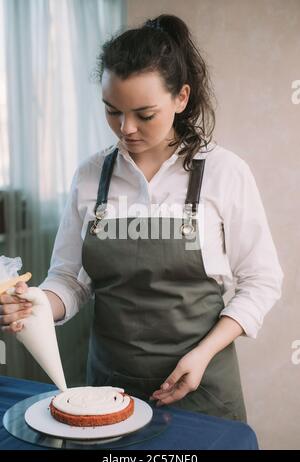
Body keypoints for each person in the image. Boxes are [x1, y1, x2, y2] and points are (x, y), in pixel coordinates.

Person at [0, 14, 283, 422]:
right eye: (112, 111)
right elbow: (68, 280)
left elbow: (262, 281)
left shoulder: (224, 172)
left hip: (202, 389)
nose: (125, 129)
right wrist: (35, 305)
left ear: (181, 98)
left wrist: (202, 354)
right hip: (109, 391)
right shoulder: (90, 175)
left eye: (144, 114)